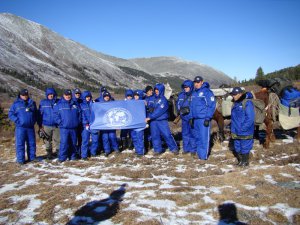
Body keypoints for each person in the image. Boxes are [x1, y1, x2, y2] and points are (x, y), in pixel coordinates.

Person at [145, 83, 178, 155]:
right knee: (155, 135)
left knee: (167, 134)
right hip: (153, 121)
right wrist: (147, 106)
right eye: (155, 89)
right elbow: (149, 107)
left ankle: (174, 148)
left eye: (158, 90)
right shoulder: (153, 98)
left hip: (161, 120)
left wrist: (150, 117)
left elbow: (159, 111)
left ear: (161, 90)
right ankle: (157, 150)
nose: (156, 91)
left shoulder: (164, 100)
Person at [8, 89, 38, 164]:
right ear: (20, 95)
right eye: (23, 95)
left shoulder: (32, 103)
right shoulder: (16, 104)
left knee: (31, 143)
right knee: (20, 143)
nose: (25, 96)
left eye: (26, 95)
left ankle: (32, 157)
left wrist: (34, 121)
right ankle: (21, 160)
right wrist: (17, 121)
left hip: (30, 127)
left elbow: (36, 113)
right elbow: (11, 114)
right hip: (20, 127)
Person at [190, 76, 216, 160]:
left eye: (198, 82)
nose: (196, 84)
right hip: (195, 119)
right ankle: (199, 154)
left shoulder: (207, 92)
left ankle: (203, 157)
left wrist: (207, 118)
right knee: (197, 137)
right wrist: (191, 117)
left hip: (203, 119)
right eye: (195, 82)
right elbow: (191, 106)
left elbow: (211, 106)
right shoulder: (194, 93)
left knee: (203, 138)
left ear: (202, 82)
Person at [54, 89, 81, 162]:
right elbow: (55, 115)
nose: (68, 96)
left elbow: (79, 114)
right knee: (64, 143)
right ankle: (62, 158)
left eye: (69, 95)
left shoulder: (75, 104)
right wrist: (60, 122)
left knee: (73, 142)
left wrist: (78, 122)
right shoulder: (59, 104)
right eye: (66, 95)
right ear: (63, 95)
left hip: (74, 128)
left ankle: (73, 156)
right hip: (64, 128)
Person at [230, 87, 255, 167]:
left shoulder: (247, 103)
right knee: (237, 146)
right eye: (232, 94)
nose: (233, 96)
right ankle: (240, 161)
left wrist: (243, 128)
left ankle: (245, 162)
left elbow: (250, 117)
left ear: (240, 94)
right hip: (236, 130)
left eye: (235, 94)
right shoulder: (235, 103)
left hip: (245, 130)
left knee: (245, 146)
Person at [38, 88, 60, 159]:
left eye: (52, 94)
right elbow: (39, 114)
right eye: (49, 94)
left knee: (58, 140)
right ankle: (49, 154)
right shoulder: (43, 103)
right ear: (47, 95)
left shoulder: (58, 102)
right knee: (47, 140)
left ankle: (58, 153)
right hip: (46, 125)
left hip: (57, 125)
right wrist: (40, 125)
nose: (51, 96)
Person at [176, 80, 196, 155]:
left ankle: (193, 150)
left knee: (193, 134)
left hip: (192, 118)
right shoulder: (181, 95)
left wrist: (192, 115)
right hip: (184, 118)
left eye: (187, 87)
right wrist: (180, 111)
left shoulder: (194, 95)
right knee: (185, 133)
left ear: (190, 87)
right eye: (184, 87)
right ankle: (186, 149)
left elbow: (196, 107)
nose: (185, 88)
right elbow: (178, 104)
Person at [99, 91, 119, 156]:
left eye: (108, 96)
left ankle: (116, 148)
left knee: (112, 136)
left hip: (111, 123)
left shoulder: (113, 104)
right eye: (105, 96)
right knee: (105, 137)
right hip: (104, 124)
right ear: (103, 97)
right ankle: (107, 150)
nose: (106, 97)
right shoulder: (100, 104)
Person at [80, 91, 99, 160]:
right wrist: (86, 123)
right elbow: (82, 115)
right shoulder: (82, 105)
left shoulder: (94, 104)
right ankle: (84, 155)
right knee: (85, 140)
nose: (88, 98)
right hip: (86, 126)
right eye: (86, 97)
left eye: (89, 97)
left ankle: (93, 152)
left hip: (94, 125)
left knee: (95, 140)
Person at [131, 90, 146, 156]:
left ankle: (140, 151)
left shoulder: (143, 102)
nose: (136, 97)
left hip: (140, 123)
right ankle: (137, 149)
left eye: (137, 95)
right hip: (133, 123)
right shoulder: (131, 103)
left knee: (139, 137)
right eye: (135, 95)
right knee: (134, 137)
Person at [72, 88, 83, 158]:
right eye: (76, 93)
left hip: (81, 123)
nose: (77, 95)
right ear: (74, 94)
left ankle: (79, 152)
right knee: (74, 139)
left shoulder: (82, 101)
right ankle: (74, 153)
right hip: (75, 123)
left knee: (80, 139)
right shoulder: (72, 102)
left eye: (79, 94)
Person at [144, 85, 154, 151]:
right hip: (146, 117)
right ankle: (146, 144)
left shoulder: (154, 98)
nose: (151, 91)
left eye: (151, 90)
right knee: (146, 131)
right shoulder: (144, 98)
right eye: (150, 90)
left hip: (152, 117)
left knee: (152, 131)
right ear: (147, 91)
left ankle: (152, 144)